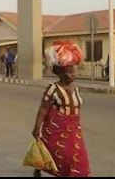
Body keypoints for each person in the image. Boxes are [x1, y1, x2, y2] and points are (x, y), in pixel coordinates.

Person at [31, 41, 90, 177]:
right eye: (70, 72)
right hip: (57, 131)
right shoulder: (53, 89)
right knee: (60, 157)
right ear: (60, 73)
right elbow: (43, 110)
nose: (73, 75)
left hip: (74, 131)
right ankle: (39, 169)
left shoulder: (76, 89)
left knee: (78, 158)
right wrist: (37, 128)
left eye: (74, 72)